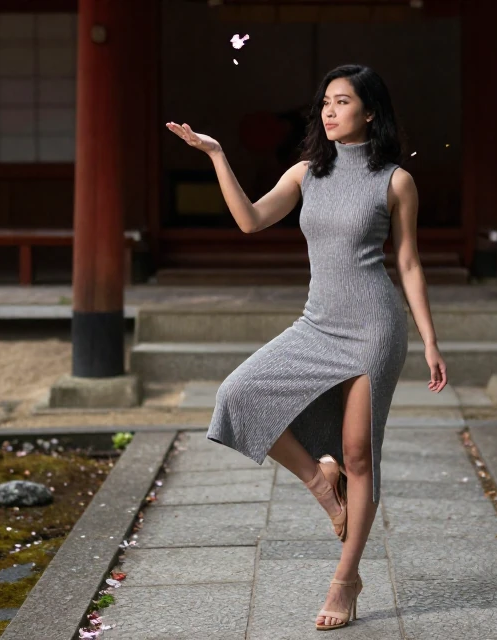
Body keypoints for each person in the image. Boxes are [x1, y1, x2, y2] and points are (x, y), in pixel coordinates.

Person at [166, 63, 447, 631]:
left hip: (374, 326)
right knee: (239, 393)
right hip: (317, 323)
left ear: (370, 111)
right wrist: (217, 155)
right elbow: (250, 221)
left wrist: (430, 340)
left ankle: (345, 581)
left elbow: (409, 263)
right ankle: (322, 481)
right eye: (324, 102)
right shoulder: (305, 172)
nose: (328, 110)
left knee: (361, 453)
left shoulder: (395, 180)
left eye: (342, 102)